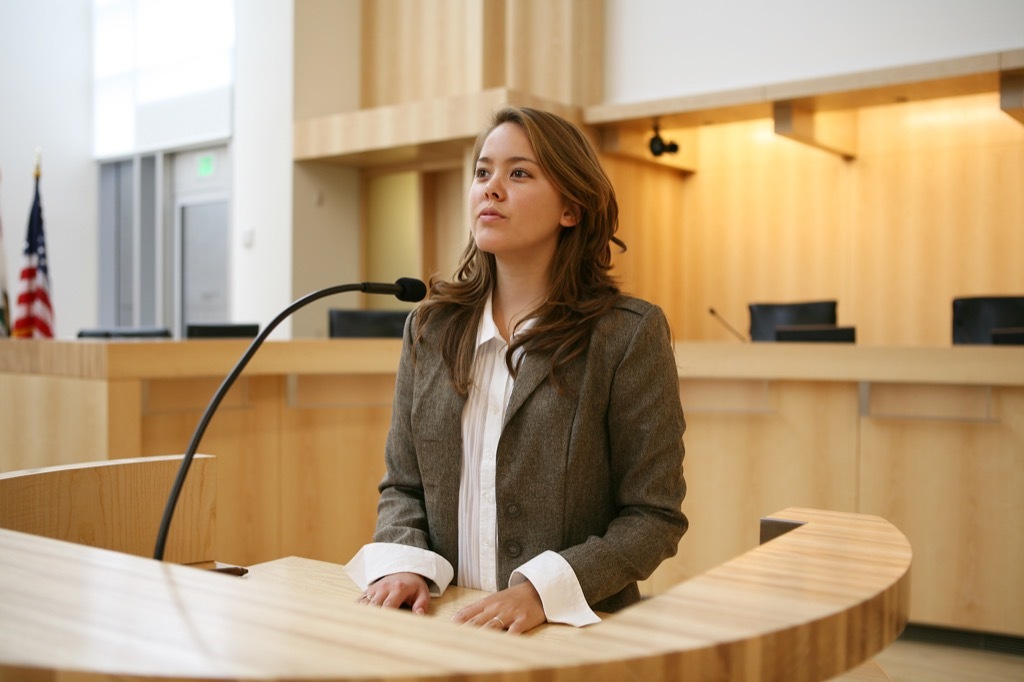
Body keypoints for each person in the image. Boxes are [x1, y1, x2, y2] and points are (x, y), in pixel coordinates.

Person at [345, 106, 687, 635]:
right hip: (443, 626)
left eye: (519, 173)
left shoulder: (625, 336)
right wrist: (404, 561)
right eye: (482, 172)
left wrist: (542, 592)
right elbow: (404, 487)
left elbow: (653, 515)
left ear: (571, 208)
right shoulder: (429, 329)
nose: (491, 188)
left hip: (570, 635)